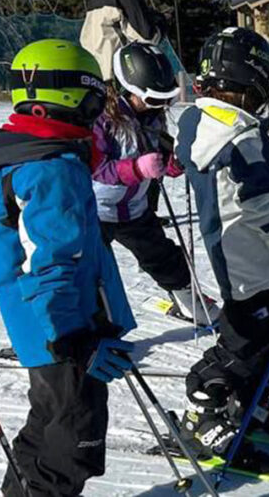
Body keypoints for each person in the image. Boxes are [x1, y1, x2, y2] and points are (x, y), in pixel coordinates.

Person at [0, 39, 136, 495]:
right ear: (75, 98)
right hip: (64, 331)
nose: (97, 115)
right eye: (95, 101)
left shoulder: (12, 158)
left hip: (38, 329)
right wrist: (75, 338)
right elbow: (50, 263)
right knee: (74, 442)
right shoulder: (52, 168)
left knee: (48, 424)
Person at [174, 27, 269, 470]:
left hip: (247, 254)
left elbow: (261, 198)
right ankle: (205, 408)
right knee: (247, 344)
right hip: (251, 259)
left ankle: (249, 401)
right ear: (252, 79)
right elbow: (264, 210)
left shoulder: (206, 122)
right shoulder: (241, 138)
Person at [94, 42, 220, 326]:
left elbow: (159, 157)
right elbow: (95, 168)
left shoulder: (153, 118)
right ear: (129, 88)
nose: (161, 106)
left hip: (134, 209)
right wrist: (137, 168)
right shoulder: (102, 118)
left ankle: (190, 302)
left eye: (167, 99)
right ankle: (70, 330)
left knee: (164, 257)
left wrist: (172, 164)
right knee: (88, 270)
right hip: (95, 211)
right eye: (153, 99)